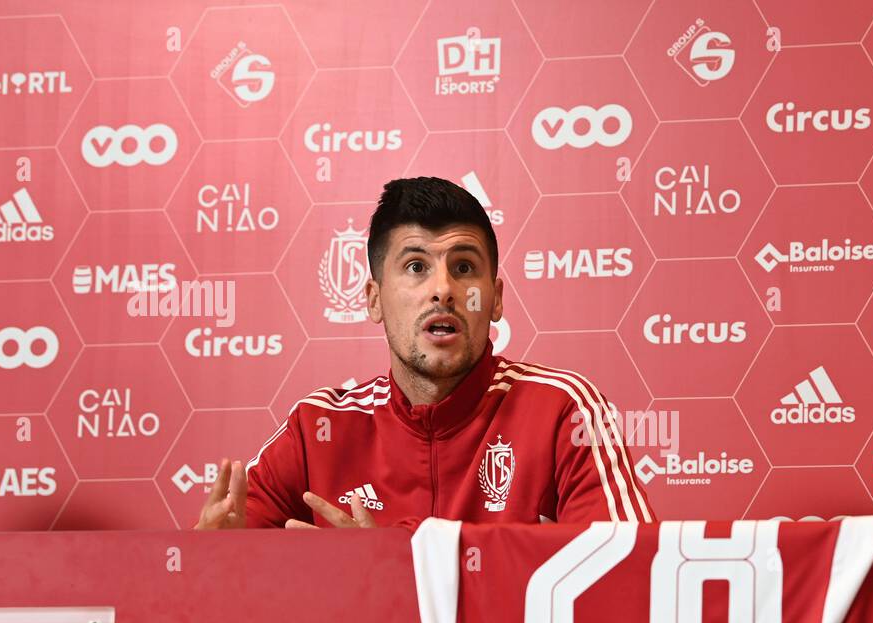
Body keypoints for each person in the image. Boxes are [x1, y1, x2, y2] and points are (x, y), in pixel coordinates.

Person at [195, 177, 654, 531]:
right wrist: (220, 557)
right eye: (416, 267)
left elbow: (627, 578)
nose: (442, 290)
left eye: (464, 267)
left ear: (495, 299)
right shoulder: (317, 429)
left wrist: (393, 569)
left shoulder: (564, 410)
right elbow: (216, 578)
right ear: (374, 299)